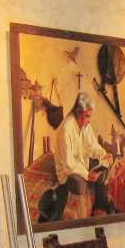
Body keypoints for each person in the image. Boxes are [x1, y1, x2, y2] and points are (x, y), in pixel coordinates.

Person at [38, 91, 113, 222]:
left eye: (90, 117)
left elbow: (93, 147)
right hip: (68, 172)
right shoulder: (66, 129)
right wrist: (87, 174)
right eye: (87, 116)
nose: (88, 121)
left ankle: (100, 206)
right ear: (78, 112)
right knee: (80, 187)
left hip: (82, 166)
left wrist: (104, 155)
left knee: (106, 165)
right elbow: (68, 164)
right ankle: (91, 181)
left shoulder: (85, 125)